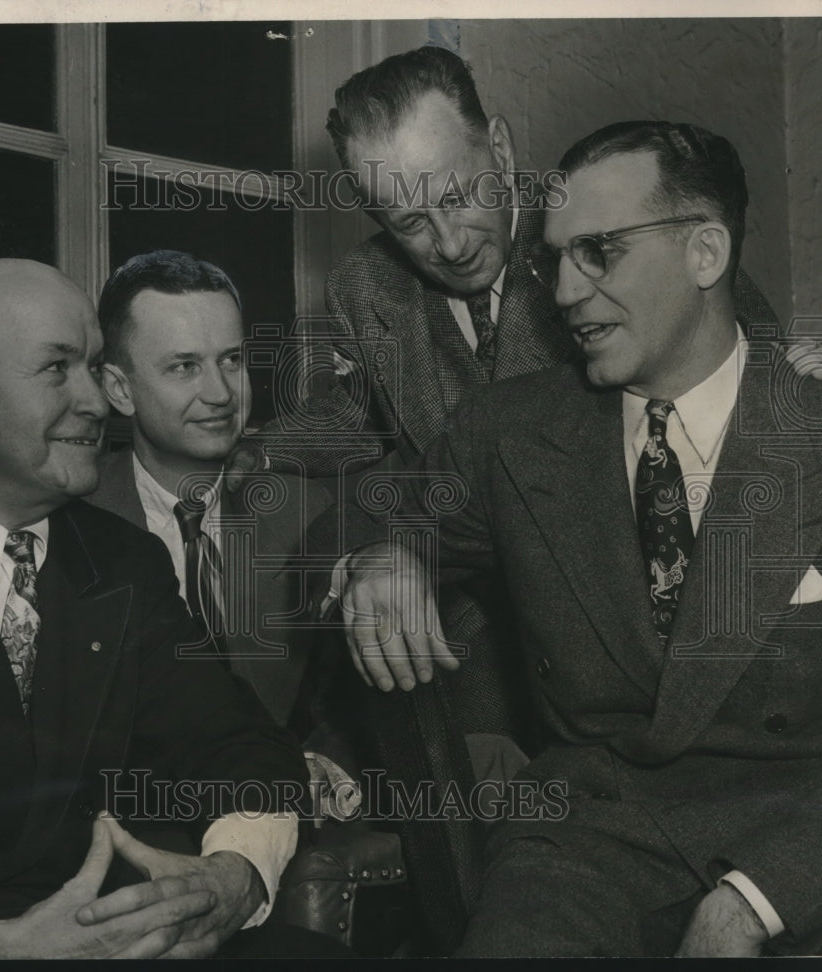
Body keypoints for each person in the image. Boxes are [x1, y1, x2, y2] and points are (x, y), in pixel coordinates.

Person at [329, 122, 822, 956]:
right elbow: (386, 508)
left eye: (599, 251)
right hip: (588, 839)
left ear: (706, 253)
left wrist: (756, 898)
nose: (561, 291)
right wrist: (388, 554)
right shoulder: (510, 432)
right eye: (554, 257)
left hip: (801, 832)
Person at [0, 259, 325, 960]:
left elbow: (238, 745)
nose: (97, 400)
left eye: (94, 366)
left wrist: (234, 871)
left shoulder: (121, 561)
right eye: (58, 369)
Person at [233, 45, 777, 481]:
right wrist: (265, 451)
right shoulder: (364, 286)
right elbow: (368, 411)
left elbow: (751, 352)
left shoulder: (604, 224)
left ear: (500, 149)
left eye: (455, 199)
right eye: (410, 223)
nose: (449, 245)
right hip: (456, 602)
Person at [86, 250, 332, 730]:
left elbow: (347, 711)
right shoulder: (68, 525)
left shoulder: (306, 514)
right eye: (184, 367)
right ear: (119, 390)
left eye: (232, 360)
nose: (221, 394)